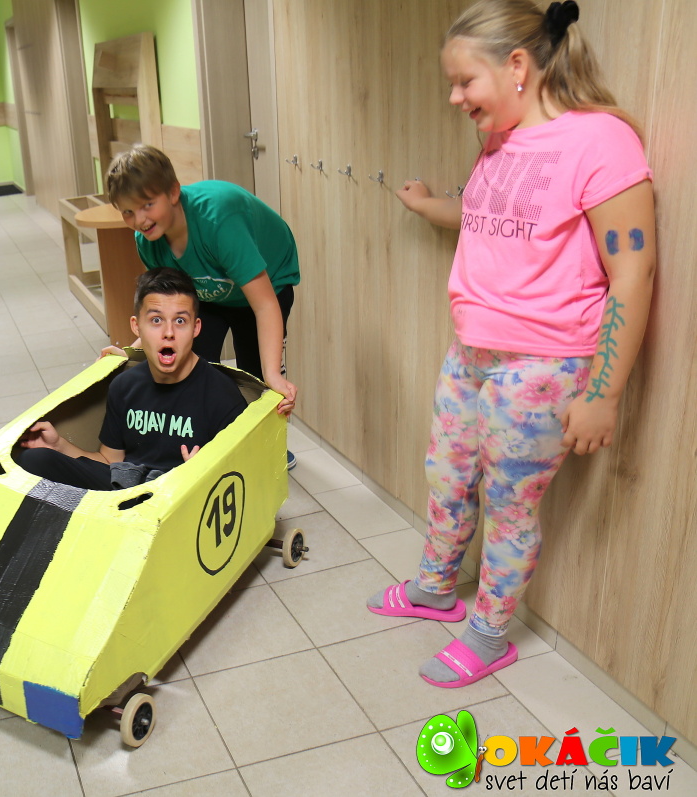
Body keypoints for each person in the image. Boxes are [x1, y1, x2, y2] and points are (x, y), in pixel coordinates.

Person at [368, 0, 655, 688]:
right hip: (471, 351)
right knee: (446, 475)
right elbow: (486, 216)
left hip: (544, 366)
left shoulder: (601, 141)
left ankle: (489, 633)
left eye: (464, 81)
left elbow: (633, 271)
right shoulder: (499, 139)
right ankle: (436, 586)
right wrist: (426, 204)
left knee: (508, 505)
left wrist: (604, 393)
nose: (454, 97)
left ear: (518, 65)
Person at [102, 144, 300, 469]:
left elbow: (265, 305)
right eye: (127, 212)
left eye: (147, 205)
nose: (140, 220)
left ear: (173, 192)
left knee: (255, 378)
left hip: (266, 285)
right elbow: (167, 310)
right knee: (187, 366)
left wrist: (271, 375)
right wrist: (132, 351)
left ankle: (267, 450)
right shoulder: (148, 242)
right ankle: (203, 448)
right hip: (207, 291)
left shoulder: (219, 222)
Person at [16, 268, 246, 490]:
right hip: (126, 490)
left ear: (195, 328)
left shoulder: (223, 397)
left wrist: (204, 473)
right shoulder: (125, 386)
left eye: (180, 321)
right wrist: (59, 446)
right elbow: (109, 462)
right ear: (137, 326)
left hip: (180, 498)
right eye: (156, 320)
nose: (168, 333)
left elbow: (241, 481)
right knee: (35, 459)